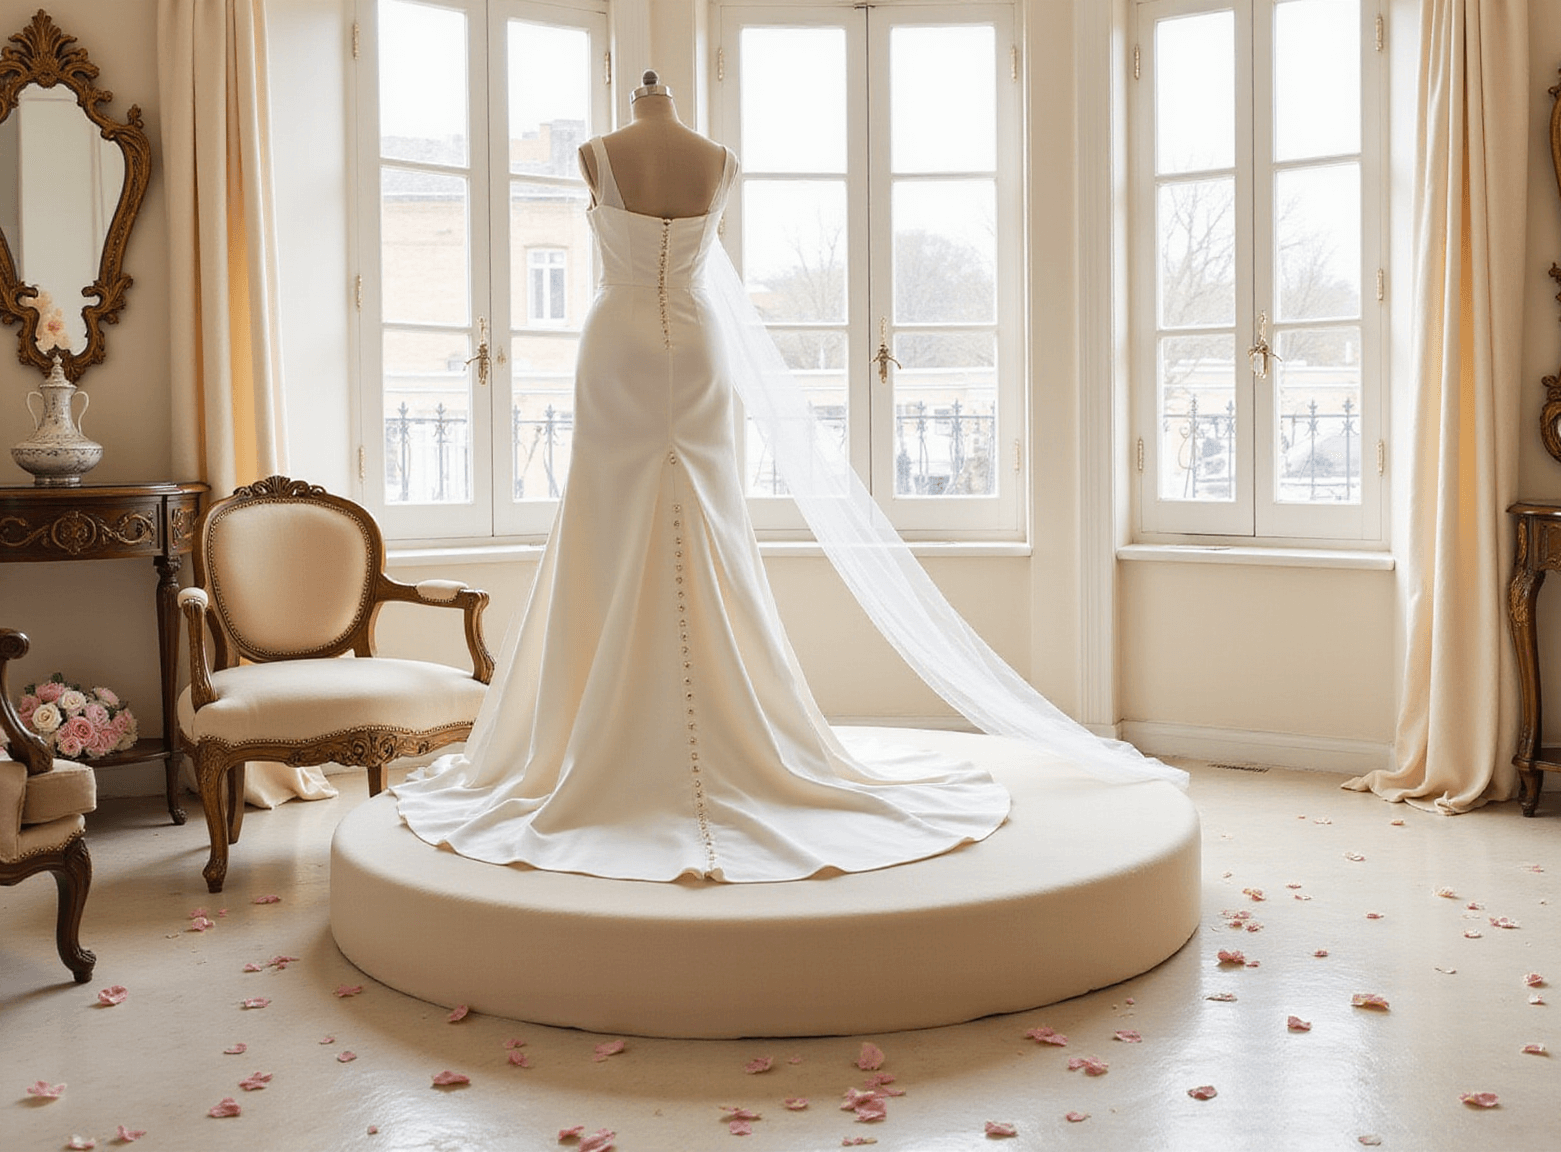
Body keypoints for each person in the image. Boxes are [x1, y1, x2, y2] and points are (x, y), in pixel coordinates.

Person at [392, 73, 1179, 884]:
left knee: (625, 516)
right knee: (664, 513)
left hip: (621, 341)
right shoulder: (709, 160)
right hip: (694, 344)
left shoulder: (609, 154)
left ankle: (608, 728)